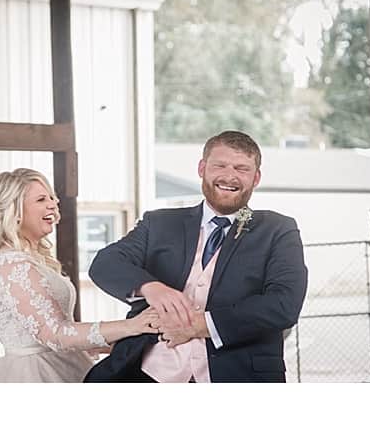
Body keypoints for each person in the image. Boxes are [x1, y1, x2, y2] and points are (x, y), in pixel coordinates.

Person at [84, 130, 308, 382]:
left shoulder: (278, 229)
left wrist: (199, 325)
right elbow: (105, 263)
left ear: (256, 178)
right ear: (202, 168)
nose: (229, 175)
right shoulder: (159, 223)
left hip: (240, 375)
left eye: (241, 168)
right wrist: (152, 288)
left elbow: (284, 305)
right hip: (147, 373)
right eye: (219, 165)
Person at [0, 168, 164, 381]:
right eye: (41, 199)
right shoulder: (13, 265)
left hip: (65, 364)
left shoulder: (33, 260)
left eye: (52, 198)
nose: (53, 204)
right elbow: (56, 334)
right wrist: (130, 326)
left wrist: (126, 339)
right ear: (15, 210)